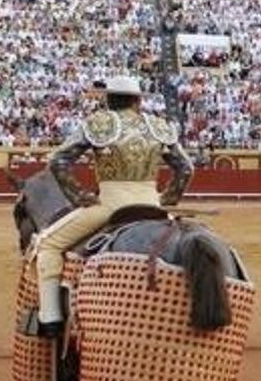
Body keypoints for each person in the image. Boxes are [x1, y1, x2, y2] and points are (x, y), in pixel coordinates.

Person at [33, 76, 194, 336]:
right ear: (138, 100)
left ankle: (50, 318)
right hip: (154, 207)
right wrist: (168, 199)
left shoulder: (99, 124)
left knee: (48, 245)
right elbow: (186, 168)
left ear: (108, 99)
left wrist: (79, 196)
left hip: (109, 205)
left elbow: (57, 160)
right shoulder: (158, 126)